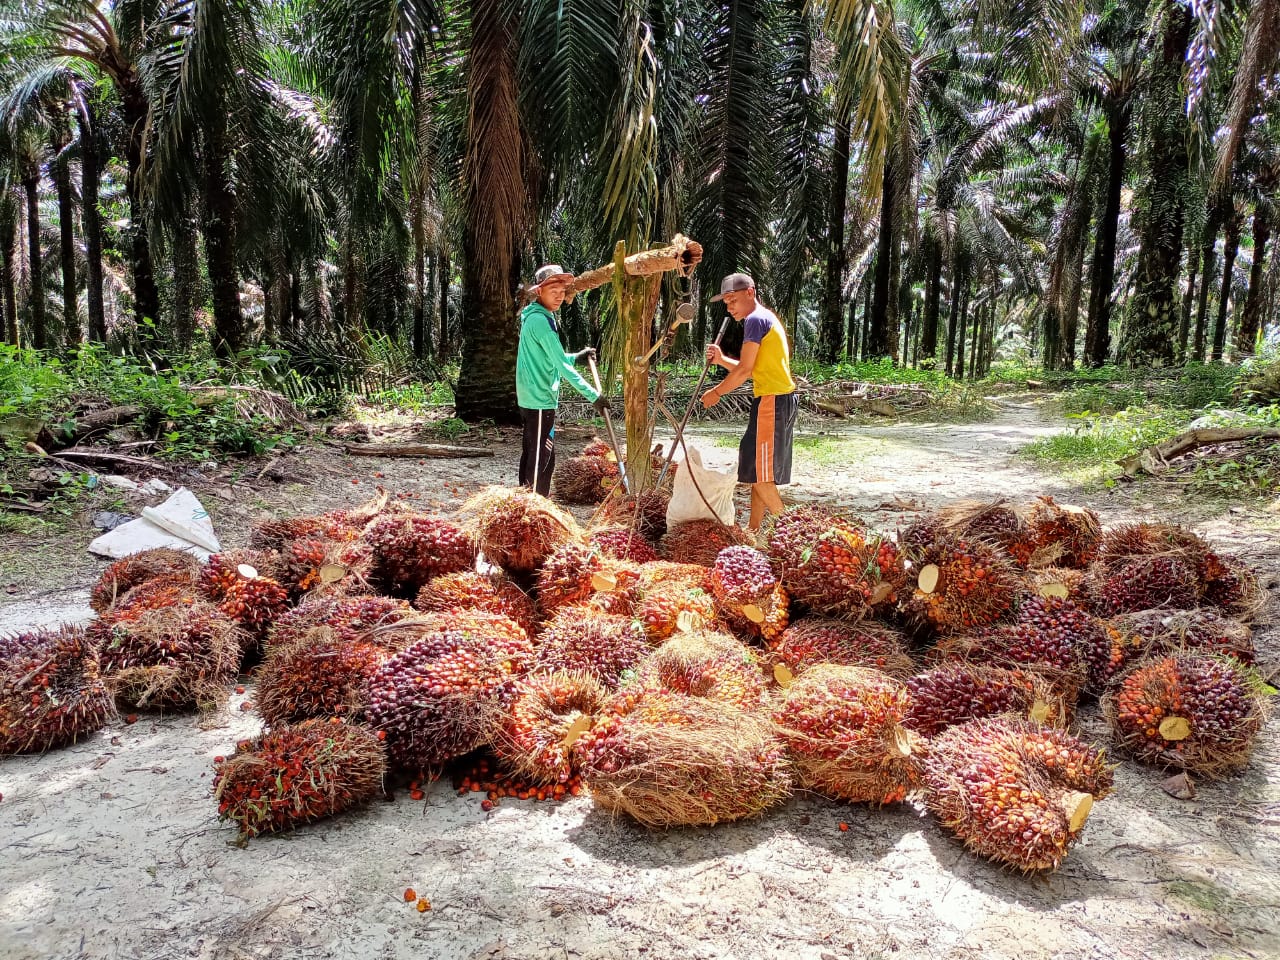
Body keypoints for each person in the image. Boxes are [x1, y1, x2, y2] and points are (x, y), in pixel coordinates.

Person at [701, 272, 797, 531]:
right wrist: (721, 360)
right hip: (776, 399)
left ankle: (793, 530)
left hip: (772, 401)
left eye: (733, 300)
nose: (730, 307)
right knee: (759, 471)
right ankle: (753, 531)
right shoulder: (765, 318)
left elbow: (744, 372)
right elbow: (753, 369)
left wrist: (717, 393)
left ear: (750, 293)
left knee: (760, 473)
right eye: (726, 302)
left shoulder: (755, 320)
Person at [516, 263, 610, 497]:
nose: (559, 297)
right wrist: (594, 396)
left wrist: (576, 358)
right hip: (539, 399)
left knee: (534, 452)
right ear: (539, 291)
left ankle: (525, 500)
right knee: (541, 458)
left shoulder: (537, 317)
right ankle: (533, 507)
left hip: (532, 396)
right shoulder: (541, 322)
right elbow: (560, 366)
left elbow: (549, 357)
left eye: (561, 293)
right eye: (553, 292)